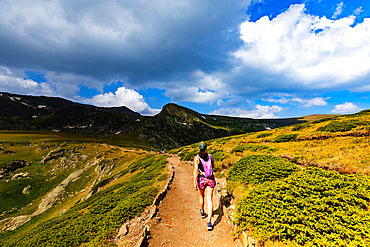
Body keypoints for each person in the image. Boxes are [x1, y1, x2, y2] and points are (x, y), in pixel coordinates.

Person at [193, 142, 216, 231]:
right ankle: (209, 222)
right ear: (206, 147)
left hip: (201, 179)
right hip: (210, 178)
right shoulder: (210, 156)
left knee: (201, 196)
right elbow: (212, 166)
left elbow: (195, 170)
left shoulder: (196, 158)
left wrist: (194, 182)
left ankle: (202, 212)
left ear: (199, 148)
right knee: (209, 199)